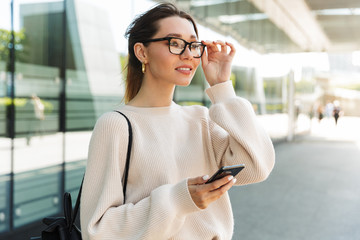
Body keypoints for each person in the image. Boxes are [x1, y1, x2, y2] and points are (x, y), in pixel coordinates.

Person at [80, 3, 275, 240]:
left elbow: (256, 168)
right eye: (174, 43)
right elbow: (97, 230)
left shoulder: (200, 119)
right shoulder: (116, 125)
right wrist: (179, 200)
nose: (188, 54)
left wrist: (222, 88)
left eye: (193, 45)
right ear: (142, 52)